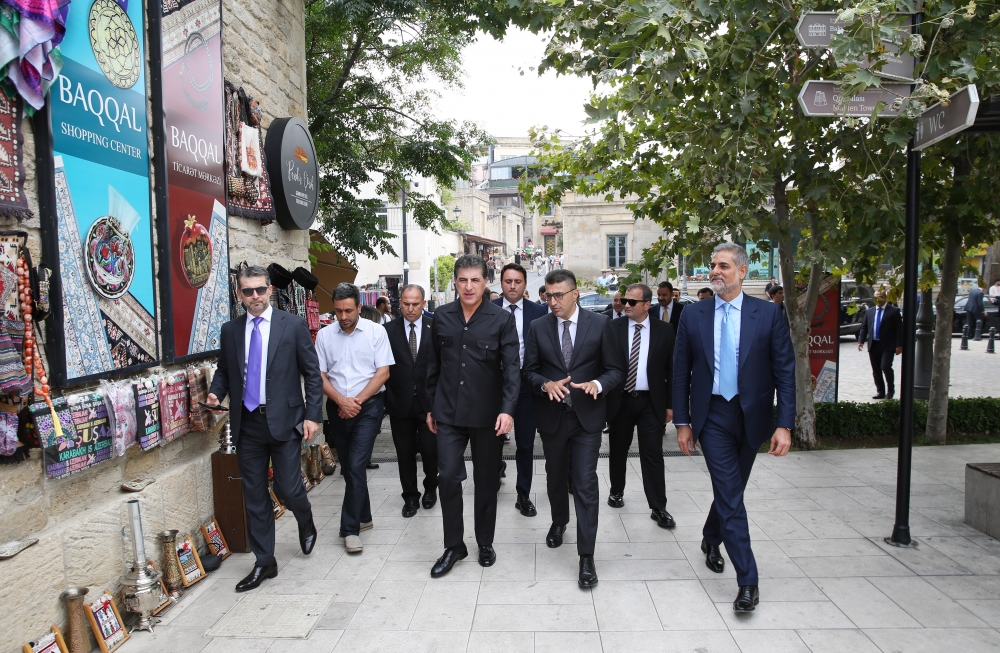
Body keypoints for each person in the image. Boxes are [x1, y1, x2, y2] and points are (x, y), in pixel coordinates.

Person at [673, 242, 795, 612]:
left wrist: (784, 424)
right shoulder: (694, 315)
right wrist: (683, 422)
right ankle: (748, 581)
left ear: (742, 271)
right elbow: (680, 371)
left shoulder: (768, 314)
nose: (715, 271)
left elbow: (785, 371)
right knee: (730, 495)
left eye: (723, 266)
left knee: (732, 491)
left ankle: (711, 537)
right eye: (713, 265)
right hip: (712, 417)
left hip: (752, 417)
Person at [207, 265, 323, 592]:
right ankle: (265, 561)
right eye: (248, 291)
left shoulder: (293, 325)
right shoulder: (231, 330)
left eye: (260, 289)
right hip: (247, 423)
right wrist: (216, 393)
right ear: (239, 294)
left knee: (288, 487)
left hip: (285, 420)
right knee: (255, 495)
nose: (255, 296)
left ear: (270, 290)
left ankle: (305, 519)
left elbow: (312, 374)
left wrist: (313, 415)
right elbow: (225, 371)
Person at [523, 269, 625, 588]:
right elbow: (529, 371)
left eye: (559, 295)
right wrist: (545, 385)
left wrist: (598, 384)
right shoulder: (538, 327)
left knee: (584, 482)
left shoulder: (600, 324)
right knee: (555, 477)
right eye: (548, 296)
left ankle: (586, 556)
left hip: (587, 419)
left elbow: (615, 369)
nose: (552, 301)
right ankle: (559, 521)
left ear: (575, 293)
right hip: (552, 418)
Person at [426, 255, 520, 577]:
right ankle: (454, 546)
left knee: (486, 481)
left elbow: (512, 369)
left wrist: (507, 410)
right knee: (448, 477)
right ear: (455, 281)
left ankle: (484, 542)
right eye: (463, 280)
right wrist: (430, 406)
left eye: (475, 280)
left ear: (485, 282)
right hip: (448, 413)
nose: (468, 286)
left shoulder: (501, 319)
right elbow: (432, 366)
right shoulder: (441, 317)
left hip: (487, 415)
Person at [316, 283, 394, 554]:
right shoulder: (324, 336)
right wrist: (341, 401)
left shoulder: (376, 332)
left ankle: (349, 529)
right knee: (349, 466)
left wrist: (355, 402)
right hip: (337, 407)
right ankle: (365, 515)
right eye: (338, 311)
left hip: (368, 407)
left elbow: (383, 373)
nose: (343, 316)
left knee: (357, 465)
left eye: (348, 310)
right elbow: (320, 375)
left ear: (359, 307)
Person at [606, 284, 675, 529]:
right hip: (620, 400)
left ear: (647, 305)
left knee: (653, 453)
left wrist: (670, 405)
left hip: (651, 402)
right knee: (618, 450)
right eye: (625, 300)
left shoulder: (664, 331)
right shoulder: (612, 328)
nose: (626, 305)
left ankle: (658, 507)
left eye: (632, 302)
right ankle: (616, 491)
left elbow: (672, 370)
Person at [493, 263, 548, 517]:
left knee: (525, 444)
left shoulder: (540, 312)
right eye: (508, 281)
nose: (512, 286)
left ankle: (523, 494)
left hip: (527, 387)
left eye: (517, 282)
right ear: (501, 283)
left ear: (525, 284)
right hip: (495, 387)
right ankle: (492, 477)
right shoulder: (488, 309)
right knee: (491, 441)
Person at [384, 285, 438, 518]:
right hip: (400, 402)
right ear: (400, 303)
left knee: (431, 451)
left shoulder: (435, 327)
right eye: (406, 304)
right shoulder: (387, 330)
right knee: (404, 453)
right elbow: (382, 366)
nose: (410, 308)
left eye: (415, 304)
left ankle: (431, 488)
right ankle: (410, 497)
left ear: (424, 304)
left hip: (429, 404)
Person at [857, 291, 903, 400]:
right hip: (874, 345)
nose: (878, 299)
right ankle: (880, 392)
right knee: (876, 370)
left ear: (885, 298)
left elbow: (899, 329)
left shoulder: (894, 311)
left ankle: (890, 391)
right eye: (876, 297)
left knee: (885, 366)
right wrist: (860, 341)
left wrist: (899, 345)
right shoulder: (869, 311)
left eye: (880, 297)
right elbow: (864, 327)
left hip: (888, 345)